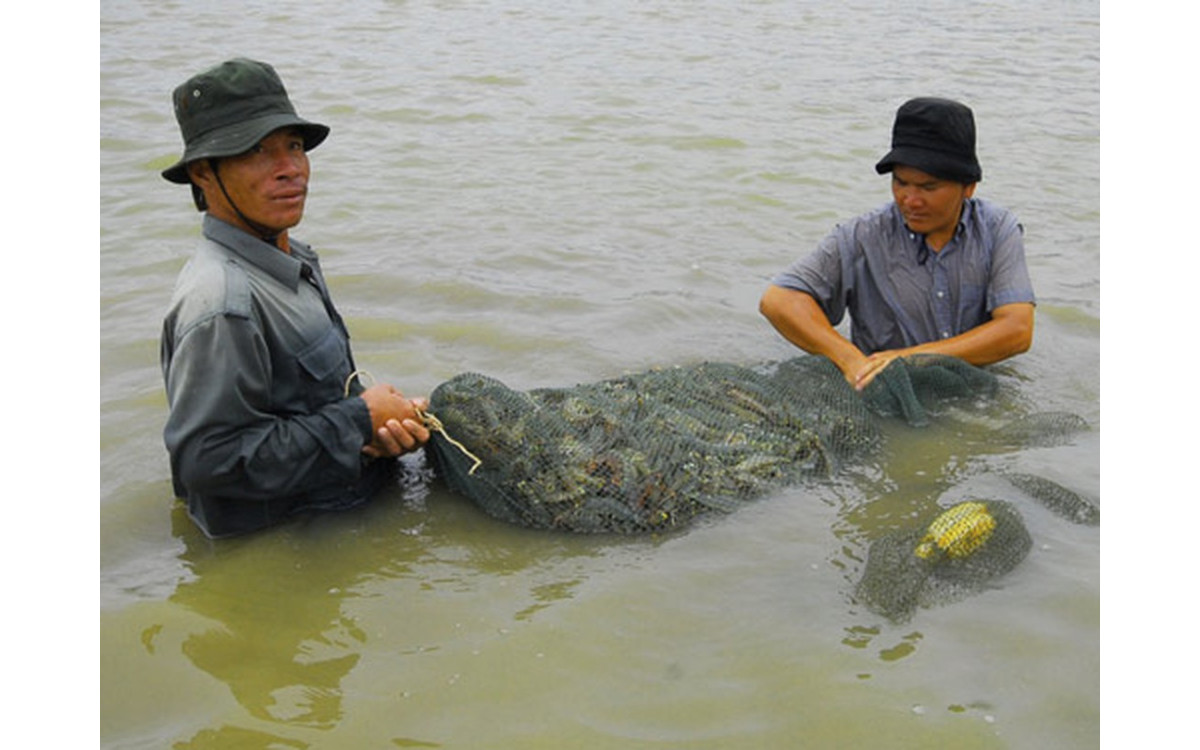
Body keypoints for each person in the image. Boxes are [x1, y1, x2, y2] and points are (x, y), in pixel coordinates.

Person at [159, 58, 430, 538]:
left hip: (343, 507)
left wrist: (377, 429)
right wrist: (359, 421)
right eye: (257, 151)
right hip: (290, 539)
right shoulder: (222, 302)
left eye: (295, 147)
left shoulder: (290, 256)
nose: (290, 169)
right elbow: (209, 462)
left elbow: (306, 408)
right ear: (204, 173)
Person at [760, 97, 1035, 391]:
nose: (910, 200)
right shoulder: (863, 235)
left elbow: (1017, 330)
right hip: (882, 389)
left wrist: (909, 359)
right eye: (901, 183)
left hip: (972, 390)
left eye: (929, 187)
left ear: (968, 187)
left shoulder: (997, 229)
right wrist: (852, 362)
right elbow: (778, 300)